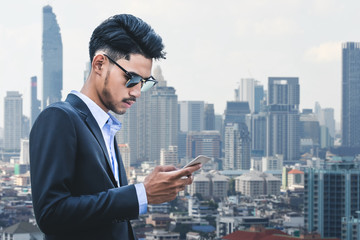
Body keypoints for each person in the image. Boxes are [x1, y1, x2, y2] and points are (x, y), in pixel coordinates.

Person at [30, 14, 201, 240]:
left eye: (144, 83)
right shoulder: (59, 118)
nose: (137, 92)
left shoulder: (105, 129)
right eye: (131, 78)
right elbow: (50, 214)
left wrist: (144, 190)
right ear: (99, 64)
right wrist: (141, 193)